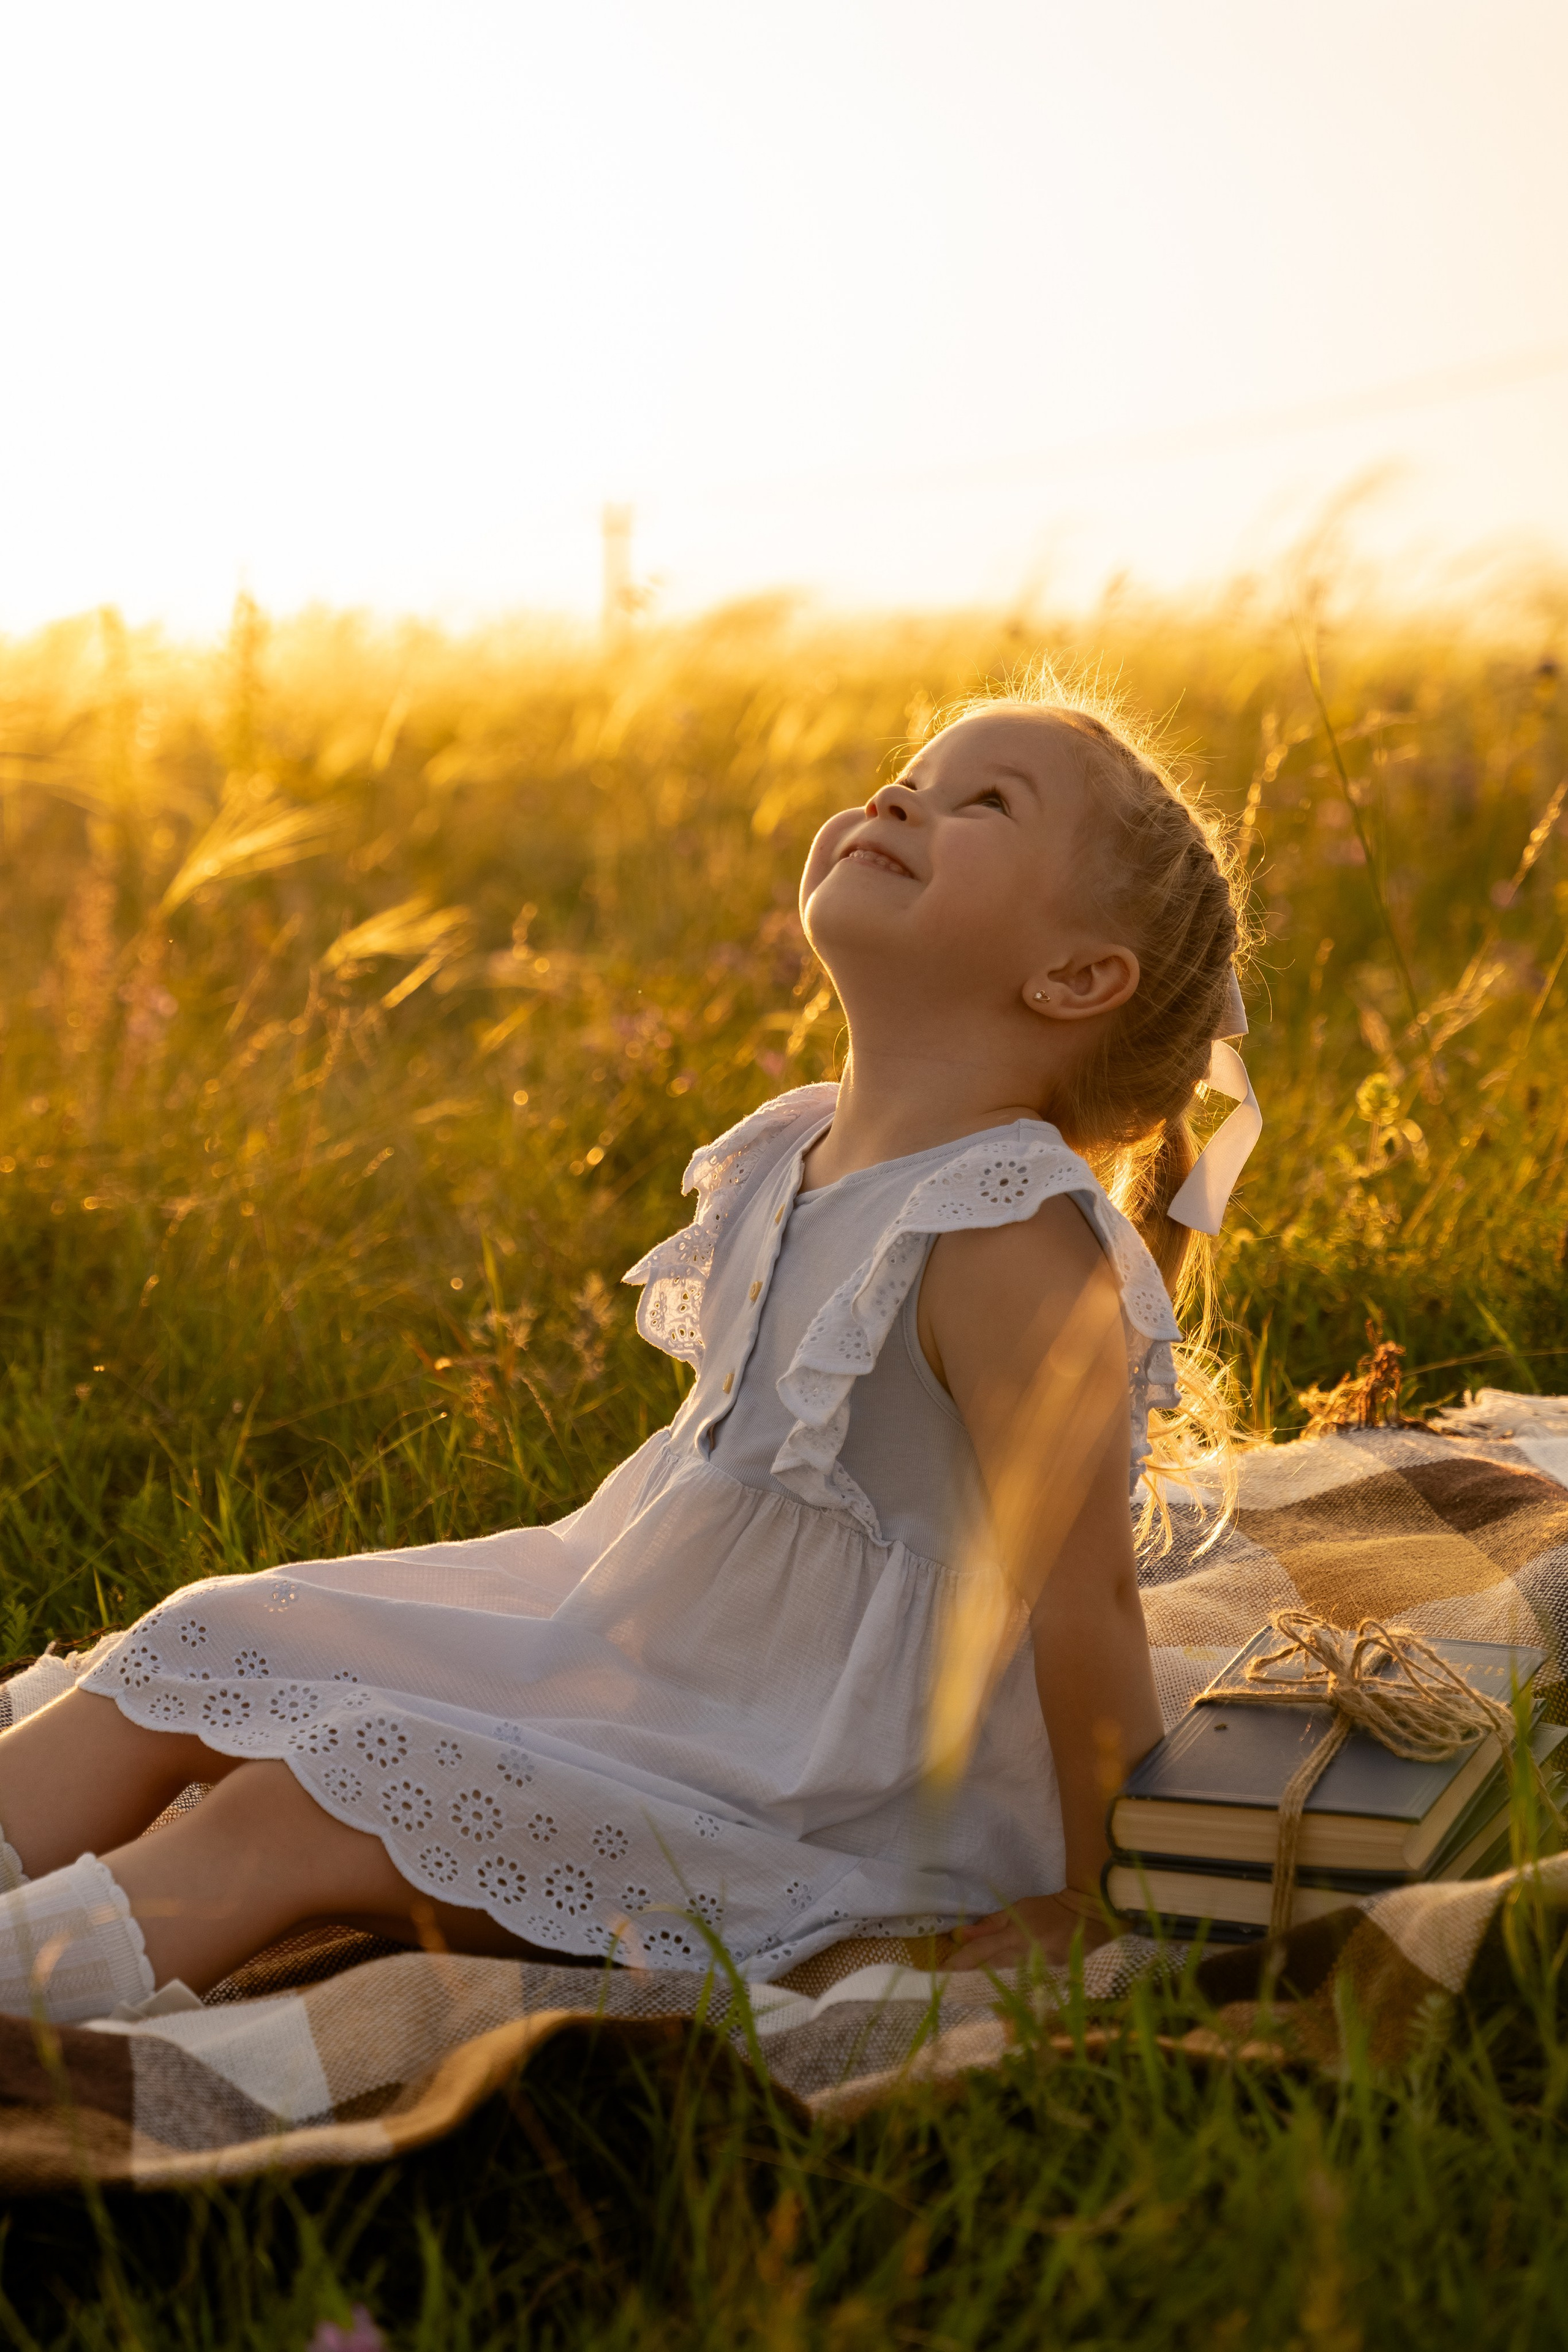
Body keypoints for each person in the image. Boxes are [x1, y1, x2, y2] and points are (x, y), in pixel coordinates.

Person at [0, 685, 1254, 2021]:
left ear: (1073, 977)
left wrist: (1096, 1895)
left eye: (982, 802)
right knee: (208, 1641)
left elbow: (1086, 1602)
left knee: (313, 1795)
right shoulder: (796, 1147)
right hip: (637, 1633)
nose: (898, 799)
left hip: (828, 1776)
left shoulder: (1007, 1236)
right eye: (909, 773)